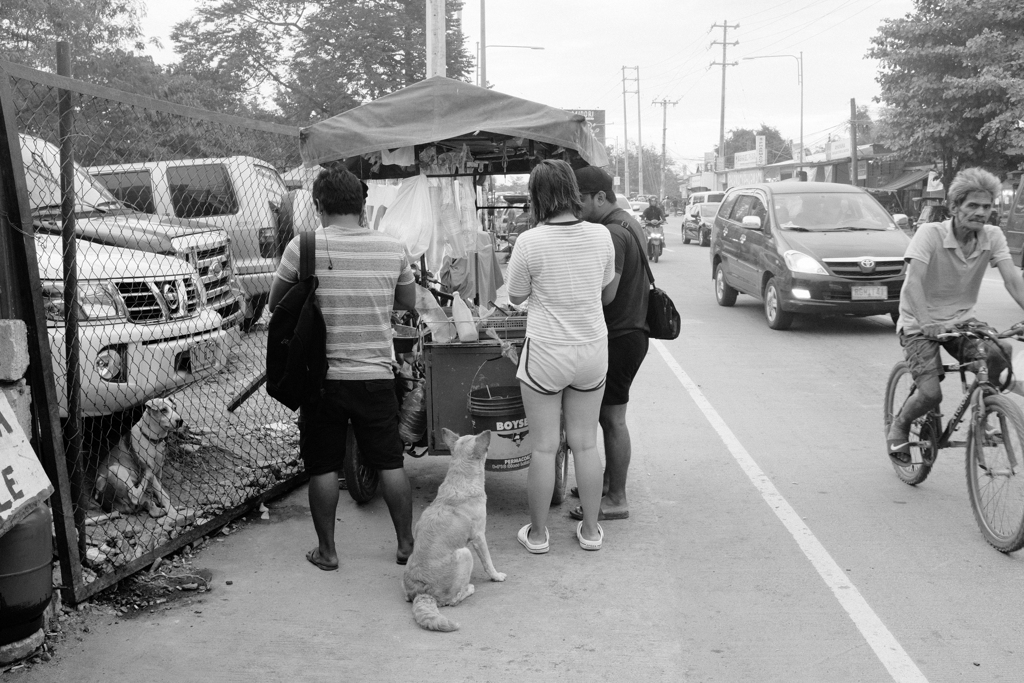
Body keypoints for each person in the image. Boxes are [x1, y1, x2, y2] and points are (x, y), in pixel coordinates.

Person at [268, 166, 417, 570]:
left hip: (322, 380)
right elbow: (408, 301)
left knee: (323, 465)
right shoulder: (392, 247)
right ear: (362, 205)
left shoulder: (305, 247)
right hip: (376, 377)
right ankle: (406, 545)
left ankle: (328, 552)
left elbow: (274, 305)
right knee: (390, 461)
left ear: (318, 205)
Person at [505, 159, 618, 552]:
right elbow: (607, 294)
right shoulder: (601, 236)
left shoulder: (529, 241)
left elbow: (516, 297)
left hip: (546, 351)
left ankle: (537, 535)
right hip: (591, 349)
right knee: (586, 444)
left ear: (536, 196)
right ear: (572, 189)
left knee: (544, 446)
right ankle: (589, 531)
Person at [886, 167, 1024, 464]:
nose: (980, 212)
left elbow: (1013, 281)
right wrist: (926, 322)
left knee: (1001, 352)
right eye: (972, 205)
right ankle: (899, 425)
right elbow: (912, 284)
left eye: (986, 206)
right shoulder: (929, 234)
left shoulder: (993, 236)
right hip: (919, 323)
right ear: (954, 207)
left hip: (962, 320)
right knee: (931, 394)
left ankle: (984, 412)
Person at [570, 166, 650, 521]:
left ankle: (617, 498)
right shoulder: (630, 223)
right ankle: (606, 483)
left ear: (599, 197)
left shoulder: (612, 233)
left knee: (612, 419)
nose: (577, 208)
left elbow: (607, 294)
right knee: (607, 417)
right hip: (631, 331)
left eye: (581, 201)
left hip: (621, 334)